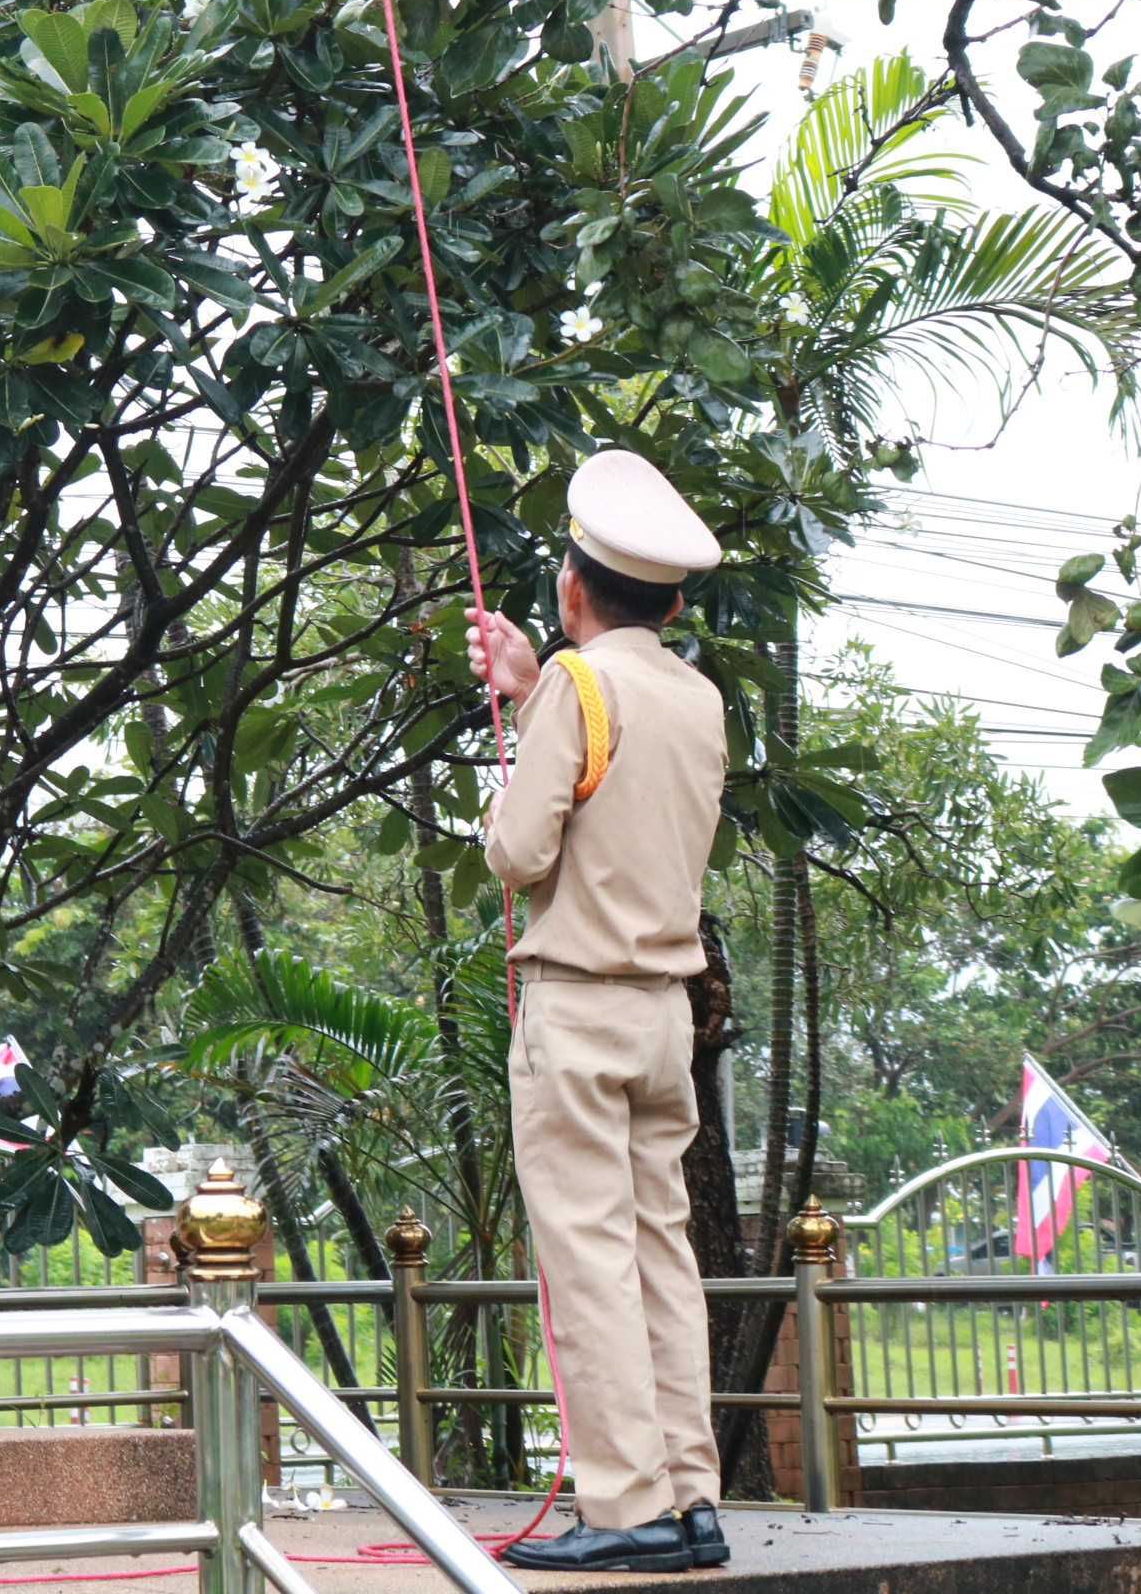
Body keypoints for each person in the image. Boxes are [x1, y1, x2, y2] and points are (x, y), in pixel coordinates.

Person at [464, 448, 732, 1573]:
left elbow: (519, 852)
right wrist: (536, 692)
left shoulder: (577, 686)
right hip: (665, 1016)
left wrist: (529, 717)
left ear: (571, 589)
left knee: (589, 1260)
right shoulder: (697, 697)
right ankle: (691, 1498)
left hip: (576, 1010)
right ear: (670, 605)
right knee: (660, 1252)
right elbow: (617, 779)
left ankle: (624, 1505)